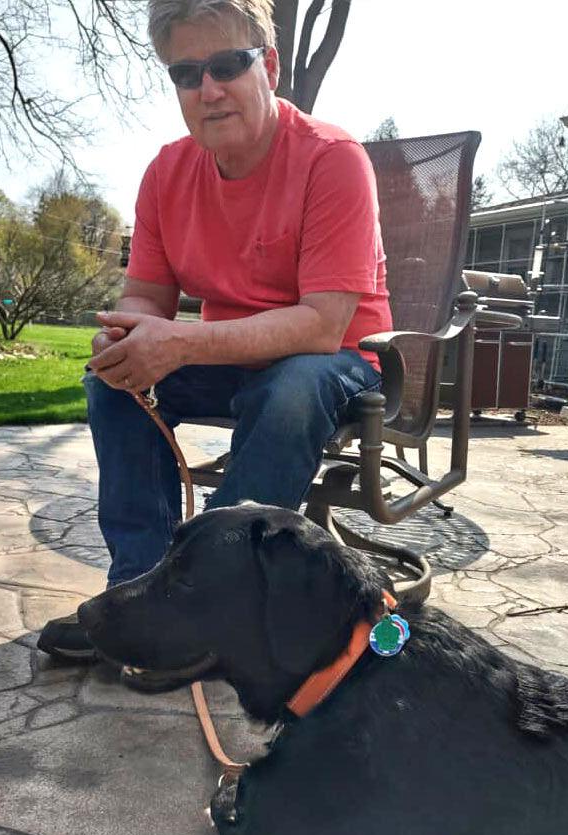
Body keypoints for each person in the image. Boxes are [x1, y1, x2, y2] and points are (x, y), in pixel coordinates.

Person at [37, 0, 391, 684]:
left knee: (291, 387)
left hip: (337, 359)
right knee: (111, 383)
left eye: (228, 64)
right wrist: (128, 334)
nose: (208, 89)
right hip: (234, 354)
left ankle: (217, 619)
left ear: (270, 67)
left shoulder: (333, 159)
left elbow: (322, 324)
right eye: (186, 72)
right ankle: (139, 595)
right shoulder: (166, 173)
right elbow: (146, 295)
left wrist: (180, 343)